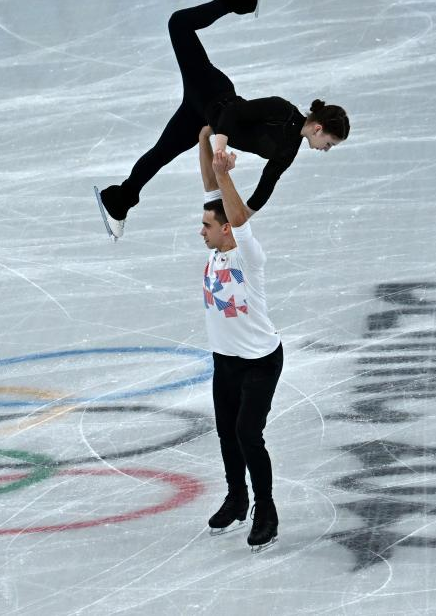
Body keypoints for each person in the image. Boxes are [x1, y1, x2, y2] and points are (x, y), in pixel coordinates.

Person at [97, 0, 350, 239]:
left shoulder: (289, 151)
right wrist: (220, 147)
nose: (325, 149)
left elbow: (266, 187)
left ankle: (119, 201)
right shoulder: (282, 110)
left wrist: (241, 219)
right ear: (318, 128)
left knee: (161, 153)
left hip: (202, 116)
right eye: (329, 143)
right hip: (211, 92)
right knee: (178, 23)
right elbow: (233, 114)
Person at [197, 124, 284, 552]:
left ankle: (265, 509)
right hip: (225, 360)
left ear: (226, 229)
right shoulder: (216, 247)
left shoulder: (247, 253)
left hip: (260, 361)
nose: (202, 231)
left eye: (208, 225)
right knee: (226, 432)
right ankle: (237, 497)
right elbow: (209, 188)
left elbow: (236, 213)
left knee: (249, 432)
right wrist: (207, 134)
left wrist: (227, 174)